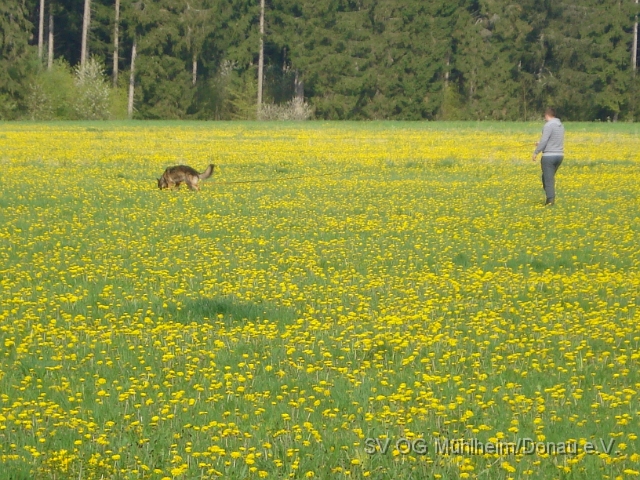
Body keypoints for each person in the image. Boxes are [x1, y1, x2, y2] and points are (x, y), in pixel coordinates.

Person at [532, 107, 564, 205]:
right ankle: (549, 198)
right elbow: (553, 140)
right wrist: (540, 143)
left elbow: (545, 140)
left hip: (549, 156)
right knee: (546, 177)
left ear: (547, 115)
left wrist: (536, 152)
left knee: (548, 179)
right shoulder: (560, 125)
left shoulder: (548, 125)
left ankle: (550, 201)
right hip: (559, 155)